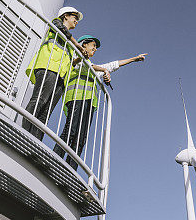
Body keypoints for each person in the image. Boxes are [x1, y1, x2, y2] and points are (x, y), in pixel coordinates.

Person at [55, 34, 147, 169]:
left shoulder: (92, 67)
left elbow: (112, 65)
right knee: (71, 131)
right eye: (93, 45)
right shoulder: (76, 59)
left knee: (81, 138)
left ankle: (69, 169)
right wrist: (104, 70)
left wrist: (134, 59)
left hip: (89, 104)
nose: (95, 49)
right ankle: (54, 159)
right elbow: (87, 65)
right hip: (76, 99)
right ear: (83, 45)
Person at [24, 5, 86, 139]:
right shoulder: (56, 23)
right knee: (40, 100)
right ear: (65, 16)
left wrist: (79, 58)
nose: (76, 21)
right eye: (74, 17)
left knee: (47, 111)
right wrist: (78, 46)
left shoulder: (69, 43)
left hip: (62, 76)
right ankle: (23, 133)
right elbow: (61, 28)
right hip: (49, 66)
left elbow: (68, 60)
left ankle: (34, 141)